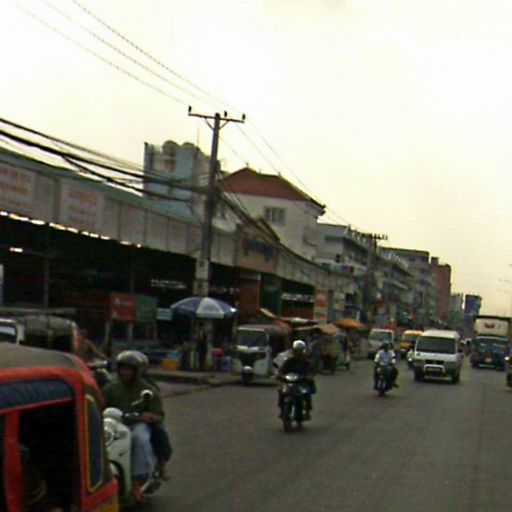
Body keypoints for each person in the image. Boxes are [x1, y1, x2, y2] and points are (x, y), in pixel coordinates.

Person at [102, 351, 164, 497]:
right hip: (115, 424)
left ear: (137, 371)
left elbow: (158, 414)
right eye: (122, 368)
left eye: (129, 369)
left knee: (139, 438)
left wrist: (150, 416)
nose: (124, 372)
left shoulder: (148, 390)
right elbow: (100, 405)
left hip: (137, 424)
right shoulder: (111, 388)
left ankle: (137, 480)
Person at [278, 340, 316, 420]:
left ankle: (307, 411)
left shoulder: (306, 361)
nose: (297, 353)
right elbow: (282, 369)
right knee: (281, 391)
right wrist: (279, 375)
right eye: (296, 351)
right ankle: (282, 409)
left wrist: (309, 376)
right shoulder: (289, 360)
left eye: (299, 351)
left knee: (307, 393)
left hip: (301, 382)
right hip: (290, 381)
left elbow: (311, 370)